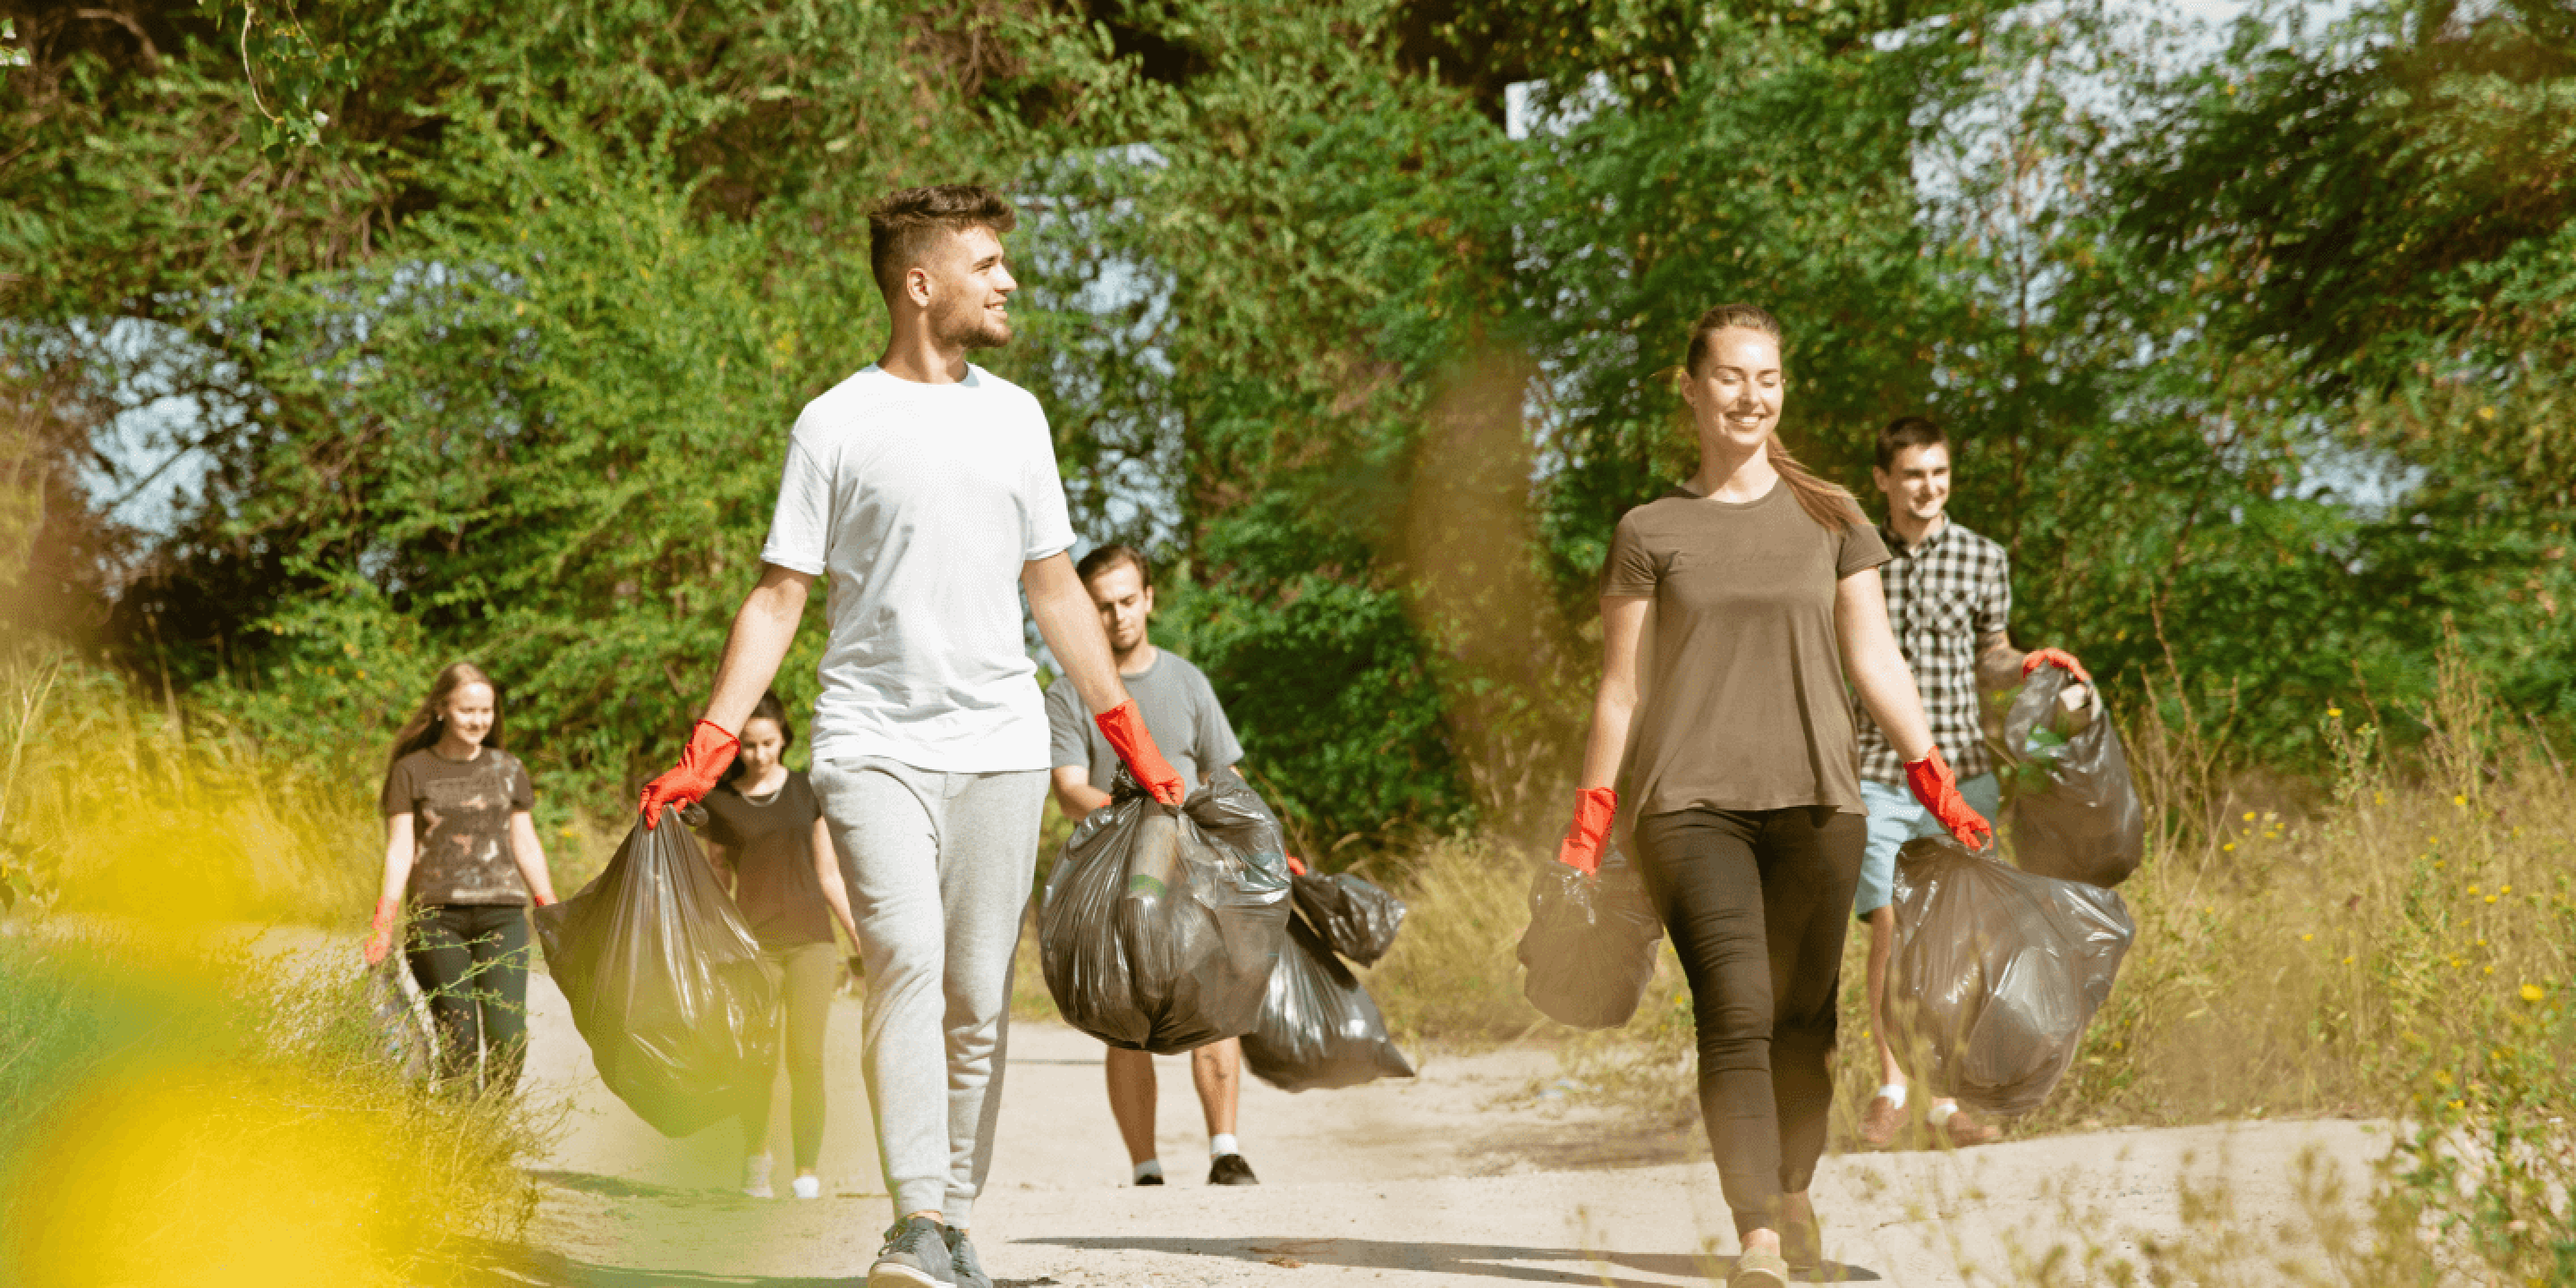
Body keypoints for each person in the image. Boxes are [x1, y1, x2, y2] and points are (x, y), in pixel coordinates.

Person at [635, 183, 1187, 1288]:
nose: (1009, 283)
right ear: (921, 283)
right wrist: (712, 737)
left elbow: (1056, 593)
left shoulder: (1017, 417)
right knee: (906, 965)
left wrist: (1128, 736)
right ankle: (913, 1218)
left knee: (978, 1000)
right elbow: (780, 596)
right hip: (871, 739)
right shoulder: (835, 422)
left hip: (1001, 746)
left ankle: (956, 1227)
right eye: (988, 265)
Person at [1553, 304, 1993, 1288]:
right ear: (1691, 387)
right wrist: (1591, 817)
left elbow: (1873, 656)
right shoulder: (1648, 530)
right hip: (1687, 805)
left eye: (1769, 378)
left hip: (1821, 802)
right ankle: (1755, 1234)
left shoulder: (1832, 513)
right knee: (1738, 1007)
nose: (1752, 395)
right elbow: (1619, 688)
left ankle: (1794, 1195)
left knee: (1806, 1020)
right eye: (1732, 377)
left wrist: (1934, 780)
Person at [1850, 415, 2089, 1150]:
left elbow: (1990, 654)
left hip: (1964, 773)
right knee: (1891, 924)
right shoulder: (1854, 557)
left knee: (1958, 940)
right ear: (1884, 481)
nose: (1928, 488)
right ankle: (1893, 1083)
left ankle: (1947, 1101)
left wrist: (2026, 666)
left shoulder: (1982, 558)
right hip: (1873, 769)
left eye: (1939, 474)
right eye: (1914, 474)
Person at [1043, 543, 1260, 1190]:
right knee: (1126, 1014)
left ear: (1150, 599)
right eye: (1102, 607)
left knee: (1213, 1003)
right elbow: (1067, 787)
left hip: (1198, 869)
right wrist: (1141, 812)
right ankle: (1146, 1168)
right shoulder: (1067, 691)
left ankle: (1226, 1150)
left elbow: (1226, 773)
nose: (1117, 617)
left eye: (1128, 601)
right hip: (1119, 873)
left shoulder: (1188, 680)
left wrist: (1255, 836)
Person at [365, 662, 559, 1096]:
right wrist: (384, 919)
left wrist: (548, 904)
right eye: (467, 710)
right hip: (436, 919)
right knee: (461, 1037)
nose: (478, 721)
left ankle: (488, 1129)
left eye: (486, 711)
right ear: (441, 710)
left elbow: (525, 842)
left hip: (503, 917)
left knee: (508, 1037)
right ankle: (458, 1147)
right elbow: (400, 848)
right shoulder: (411, 771)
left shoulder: (508, 769)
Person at [697, 690, 839, 1200]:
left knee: (806, 1056)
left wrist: (865, 940)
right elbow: (715, 879)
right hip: (752, 946)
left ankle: (805, 1171)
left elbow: (829, 873)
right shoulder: (720, 801)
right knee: (756, 1058)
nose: (759, 755)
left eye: (769, 743)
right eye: (750, 745)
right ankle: (756, 1161)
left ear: (784, 739)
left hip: (812, 944)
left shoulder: (807, 791)